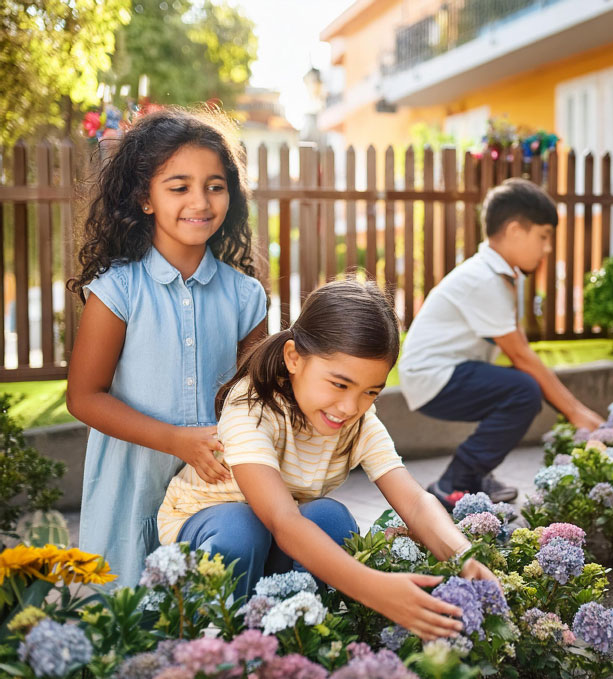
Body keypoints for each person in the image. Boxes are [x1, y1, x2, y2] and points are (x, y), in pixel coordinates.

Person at [158, 279, 499, 640]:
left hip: (278, 536)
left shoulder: (358, 420)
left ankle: (302, 641)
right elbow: (282, 520)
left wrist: (464, 557)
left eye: (370, 392)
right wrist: (374, 588)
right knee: (242, 527)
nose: (351, 407)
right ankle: (220, 645)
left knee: (329, 519)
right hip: (212, 532)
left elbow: (413, 500)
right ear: (294, 358)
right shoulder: (252, 408)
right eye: (339, 384)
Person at [66, 109, 267, 587]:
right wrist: (176, 440)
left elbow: (255, 401)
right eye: (179, 187)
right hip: (130, 488)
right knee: (127, 618)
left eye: (215, 186)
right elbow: (83, 397)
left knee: (207, 604)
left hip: (212, 490)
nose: (200, 201)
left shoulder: (246, 296)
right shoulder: (117, 290)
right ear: (145, 199)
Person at [399, 178, 603, 511]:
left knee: (521, 388)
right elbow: (522, 357)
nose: (547, 248)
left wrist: (573, 410)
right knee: (522, 390)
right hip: (432, 376)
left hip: (446, 373)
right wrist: (576, 413)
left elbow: (522, 349)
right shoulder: (484, 279)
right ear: (514, 231)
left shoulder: (500, 275)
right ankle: (455, 483)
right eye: (544, 236)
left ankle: (474, 477)